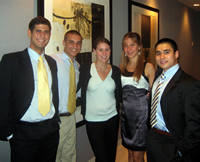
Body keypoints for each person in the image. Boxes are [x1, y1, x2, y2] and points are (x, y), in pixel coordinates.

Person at [0, 16, 60, 162]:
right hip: (24, 133)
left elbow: (53, 93)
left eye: (46, 32)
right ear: (29, 33)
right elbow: (3, 98)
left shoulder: (51, 62)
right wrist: (10, 133)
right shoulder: (11, 60)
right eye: (38, 31)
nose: (42, 36)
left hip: (50, 131)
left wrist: (55, 122)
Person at [146, 38, 200, 162]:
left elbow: (195, 127)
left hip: (172, 143)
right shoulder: (158, 76)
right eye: (158, 53)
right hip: (153, 139)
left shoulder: (190, 85)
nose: (162, 57)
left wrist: (179, 150)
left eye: (167, 52)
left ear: (176, 54)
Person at [77, 38, 122, 162]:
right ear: (94, 51)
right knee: (102, 157)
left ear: (110, 51)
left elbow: (121, 92)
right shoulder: (86, 69)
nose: (104, 53)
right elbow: (76, 89)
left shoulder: (116, 71)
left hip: (112, 118)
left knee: (111, 155)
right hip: (93, 120)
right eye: (100, 49)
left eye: (107, 49)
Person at [119, 32, 155, 162]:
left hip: (141, 119)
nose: (129, 49)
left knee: (137, 157)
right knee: (129, 155)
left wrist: (150, 94)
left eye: (132, 45)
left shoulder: (148, 67)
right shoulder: (121, 68)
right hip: (126, 117)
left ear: (139, 46)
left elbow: (155, 94)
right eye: (126, 46)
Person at [51, 30, 82, 162]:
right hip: (56, 119)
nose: (75, 46)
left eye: (78, 43)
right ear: (64, 43)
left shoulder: (77, 65)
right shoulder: (52, 61)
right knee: (55, 154)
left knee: (70, 153)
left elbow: (75, 90)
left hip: (71, 116)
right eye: (71, 42)